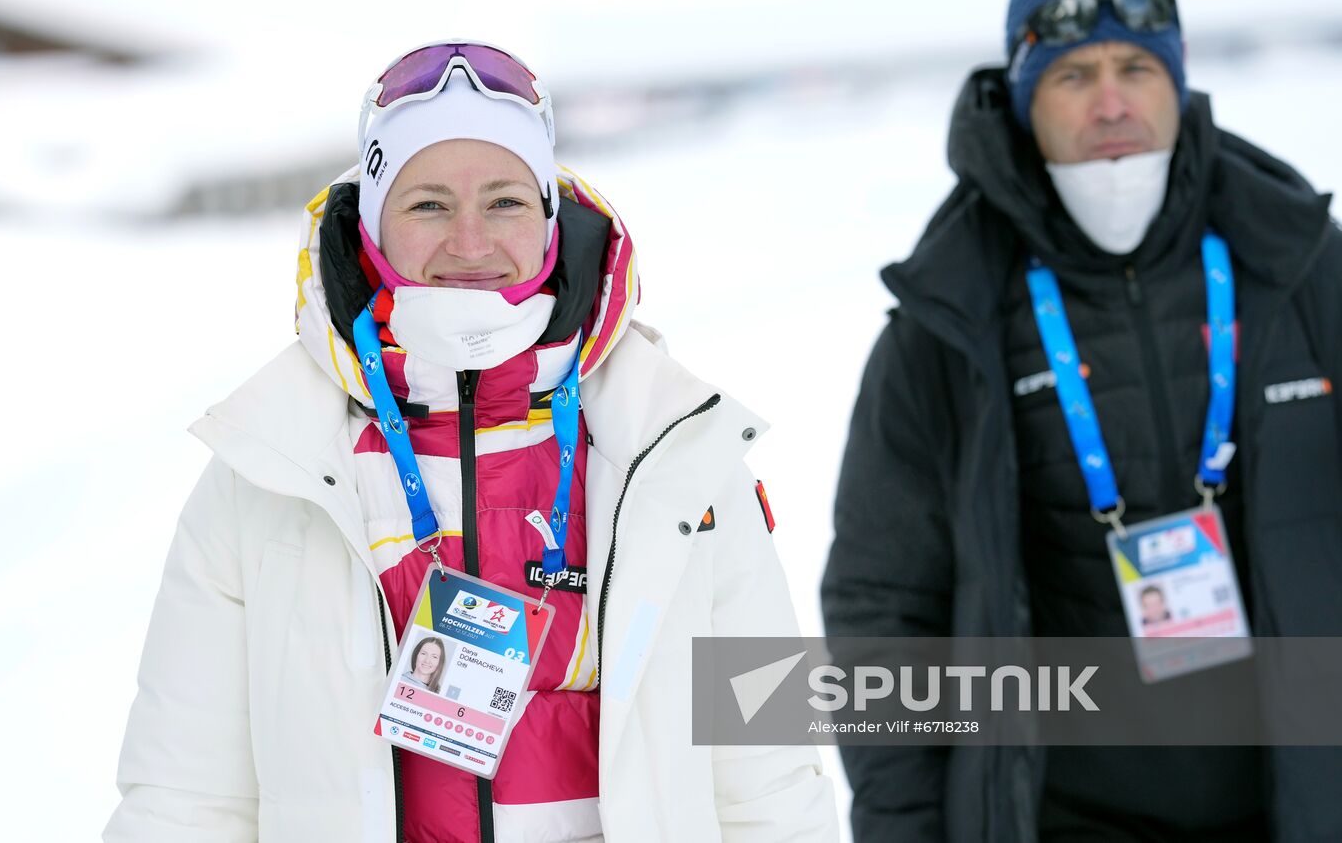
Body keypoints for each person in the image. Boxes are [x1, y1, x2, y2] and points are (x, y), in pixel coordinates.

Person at [106, 41, 836, 842]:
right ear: (375, 225)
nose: (471, 242)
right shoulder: (270, 467)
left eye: (505, 202)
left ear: (551, 221)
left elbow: (770, 773)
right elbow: (184, 799)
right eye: (426, 205)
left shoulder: (678, 453)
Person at [822, 0, 1342, 842]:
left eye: (1137, 68)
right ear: (1025, 105)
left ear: (1176, 83)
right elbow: (882, 612)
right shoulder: (946, 322)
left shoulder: (1300, 268)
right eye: (1072, 75)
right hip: (1059, 817)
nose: (1112, 103)